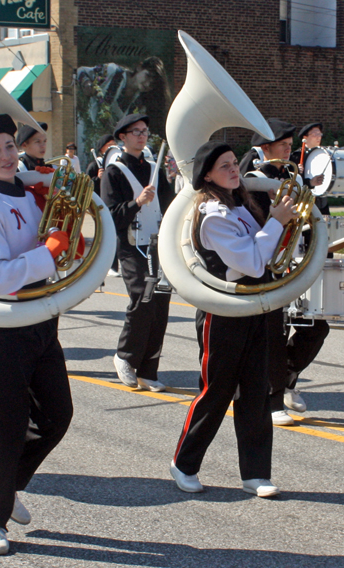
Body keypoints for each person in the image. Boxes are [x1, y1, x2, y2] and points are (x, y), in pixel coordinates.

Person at [0, 114, 73, 555]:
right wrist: (49, 254)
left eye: (10, 146)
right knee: (6, 431)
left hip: (40, 319)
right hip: (0, 328)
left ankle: (2, 482)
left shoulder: (30, 194)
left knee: (57, 416)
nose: (7, 156)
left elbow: (58, 243)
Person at [171, 141, 297, 498]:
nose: (232, 169)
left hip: (253, 305)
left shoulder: (239, 203)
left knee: (256, 390)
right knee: (216, 392)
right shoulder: (214, 216)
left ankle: (255, 474)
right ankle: (184, 463)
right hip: (223, 312)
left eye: (232, 163)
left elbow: (266, 250)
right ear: (207, 175)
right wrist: (275, 222)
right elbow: (253, 262)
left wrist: (280, 219)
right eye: (223, 166)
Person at [240, 118, 329, 426]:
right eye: (284, 146)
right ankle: (273, 399)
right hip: (266, 265)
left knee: (316, 326)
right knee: (273, 332)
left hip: (294, 261)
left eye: (291, 147)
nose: (290, 152)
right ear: (265, 148)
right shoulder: (252, 180)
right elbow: (258, 225)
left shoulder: (293, 178)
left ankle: (287, 377)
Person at [101, 114, 175, 392]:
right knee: (142, 301)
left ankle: (148, 370)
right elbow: (110, 214)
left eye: (145, 131)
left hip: (158, 245)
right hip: (132, 246)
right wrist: (136, 202)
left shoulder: (154, 167)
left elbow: (168, 207)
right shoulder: (114, 171)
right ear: (123, 136)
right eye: (136, 132)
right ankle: (124, 356)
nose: (142, 136)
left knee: (161, 306)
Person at [86, 134, 120, 277]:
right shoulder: (95, 164)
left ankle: (113, 265)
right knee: (102, 236)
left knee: (113, 235)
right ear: (102, 149)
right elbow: (86, 184)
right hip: (98, 204)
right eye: (109, 145)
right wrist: (97, 178)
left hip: (112, 202)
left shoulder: (116, 162)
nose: (113, 147)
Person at [290, 122, 329, 215]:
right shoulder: (296, 157)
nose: (319, 137)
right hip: (303, 201)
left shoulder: (323, 155)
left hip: (321, 200)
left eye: (320, 134)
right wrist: (300, 174)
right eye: (315, 134)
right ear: (305, 138)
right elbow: (293, 183)